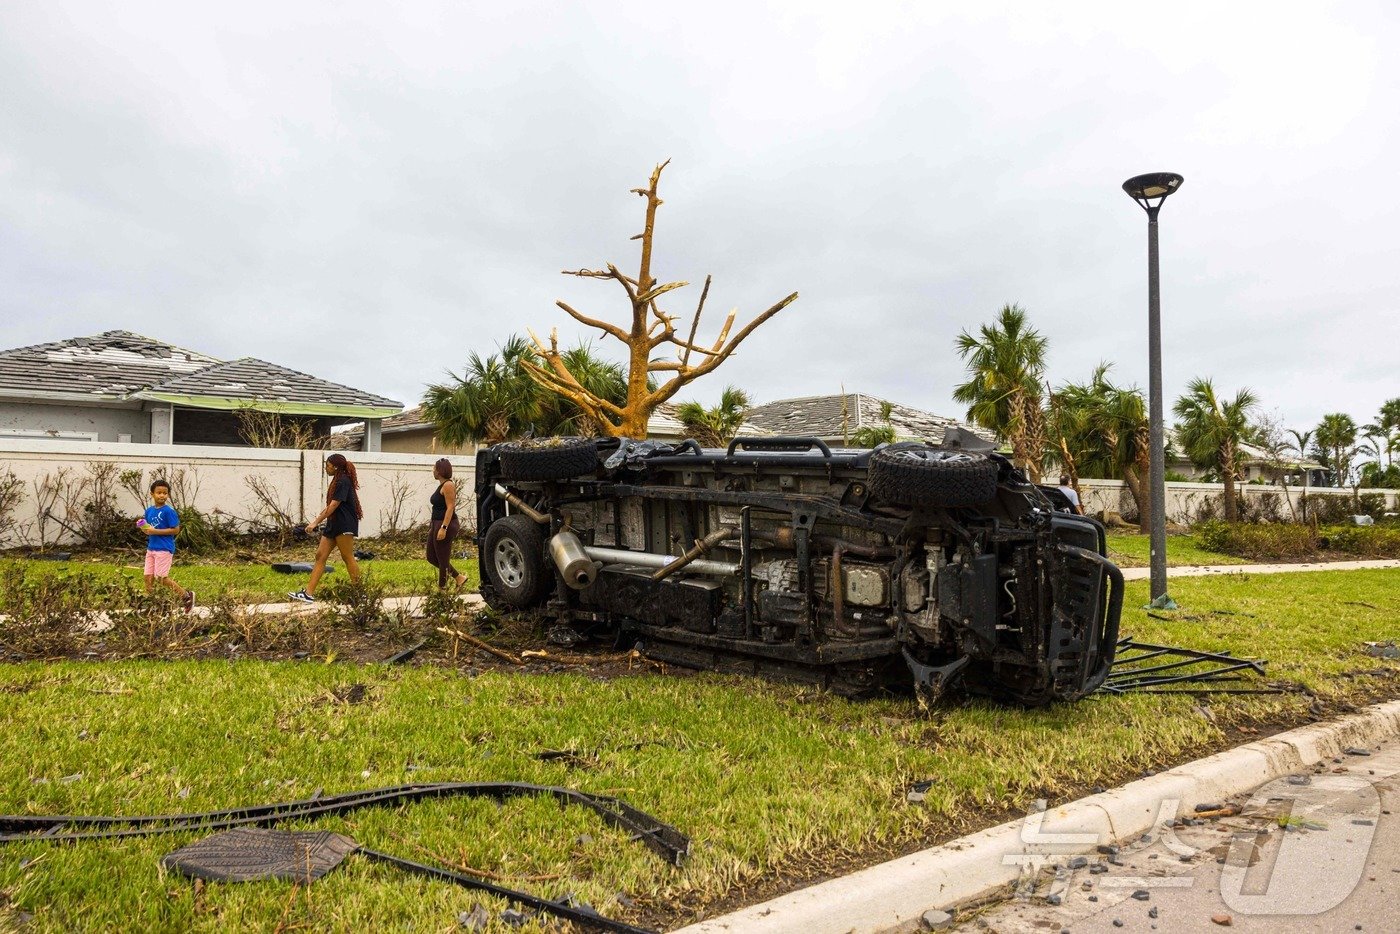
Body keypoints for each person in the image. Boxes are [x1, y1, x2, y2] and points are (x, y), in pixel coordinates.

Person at [288, 453, 363, 603]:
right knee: (320, 556)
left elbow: (333, 505)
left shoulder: (343, 481)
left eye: (327, 465)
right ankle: (308, 594)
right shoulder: (336, 480)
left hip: (345, 524)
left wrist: (315, 522)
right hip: (334, 523)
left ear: (335, 467)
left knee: (347, 557)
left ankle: (361, 594)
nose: (326, 468)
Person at [140, 478, 194, 612]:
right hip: (151, 548)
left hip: (164, 548)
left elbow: (175, 529)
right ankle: (153, 603)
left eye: (165, 493)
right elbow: (148, 531)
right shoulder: (149, 511)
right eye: (159, 492)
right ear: (152, 494)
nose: (162, 495)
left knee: (161, 578)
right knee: (148, 577)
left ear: (168, 495)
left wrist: (154, 531)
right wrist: (142, 525)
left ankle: (186, 595)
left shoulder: (168, 511)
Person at [426, 457, 467, 589]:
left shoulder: (448, 485)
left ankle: (442, 590)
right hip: (437, 524)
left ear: (439, 471)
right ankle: (459, 578)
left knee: (443, 560)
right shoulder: (441, 486)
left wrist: (443, 527)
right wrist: (434, 527)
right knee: (431, 557)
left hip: (446, 524)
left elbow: (450, 507)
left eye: (434, 468)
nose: (433, 471)